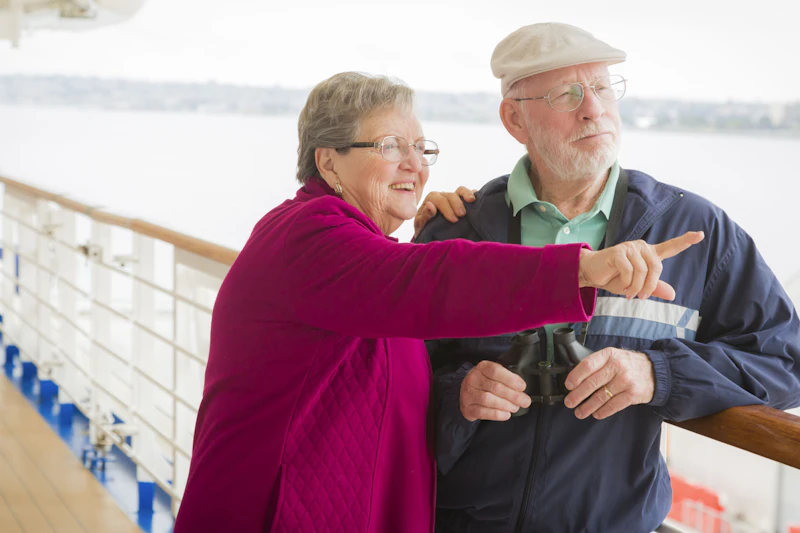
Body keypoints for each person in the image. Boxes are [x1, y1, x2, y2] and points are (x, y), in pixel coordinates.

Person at [172, 71, 700, 533]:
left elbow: (404, 296)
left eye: (421, 149)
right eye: (389, 146)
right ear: (328, 161)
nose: (415, 166)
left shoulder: (357, 251)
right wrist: (580, 268)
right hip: (272, 509)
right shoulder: (308, 236)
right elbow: (431, 281)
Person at [414, 23, 800, 533]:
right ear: (514, 118)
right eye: (566, 93)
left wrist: (657, 374)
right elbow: (386, 383)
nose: (592, 108)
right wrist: (460, 396)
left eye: (600, 87)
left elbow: (783, 362)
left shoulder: (697, 231)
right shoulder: (454, 232)